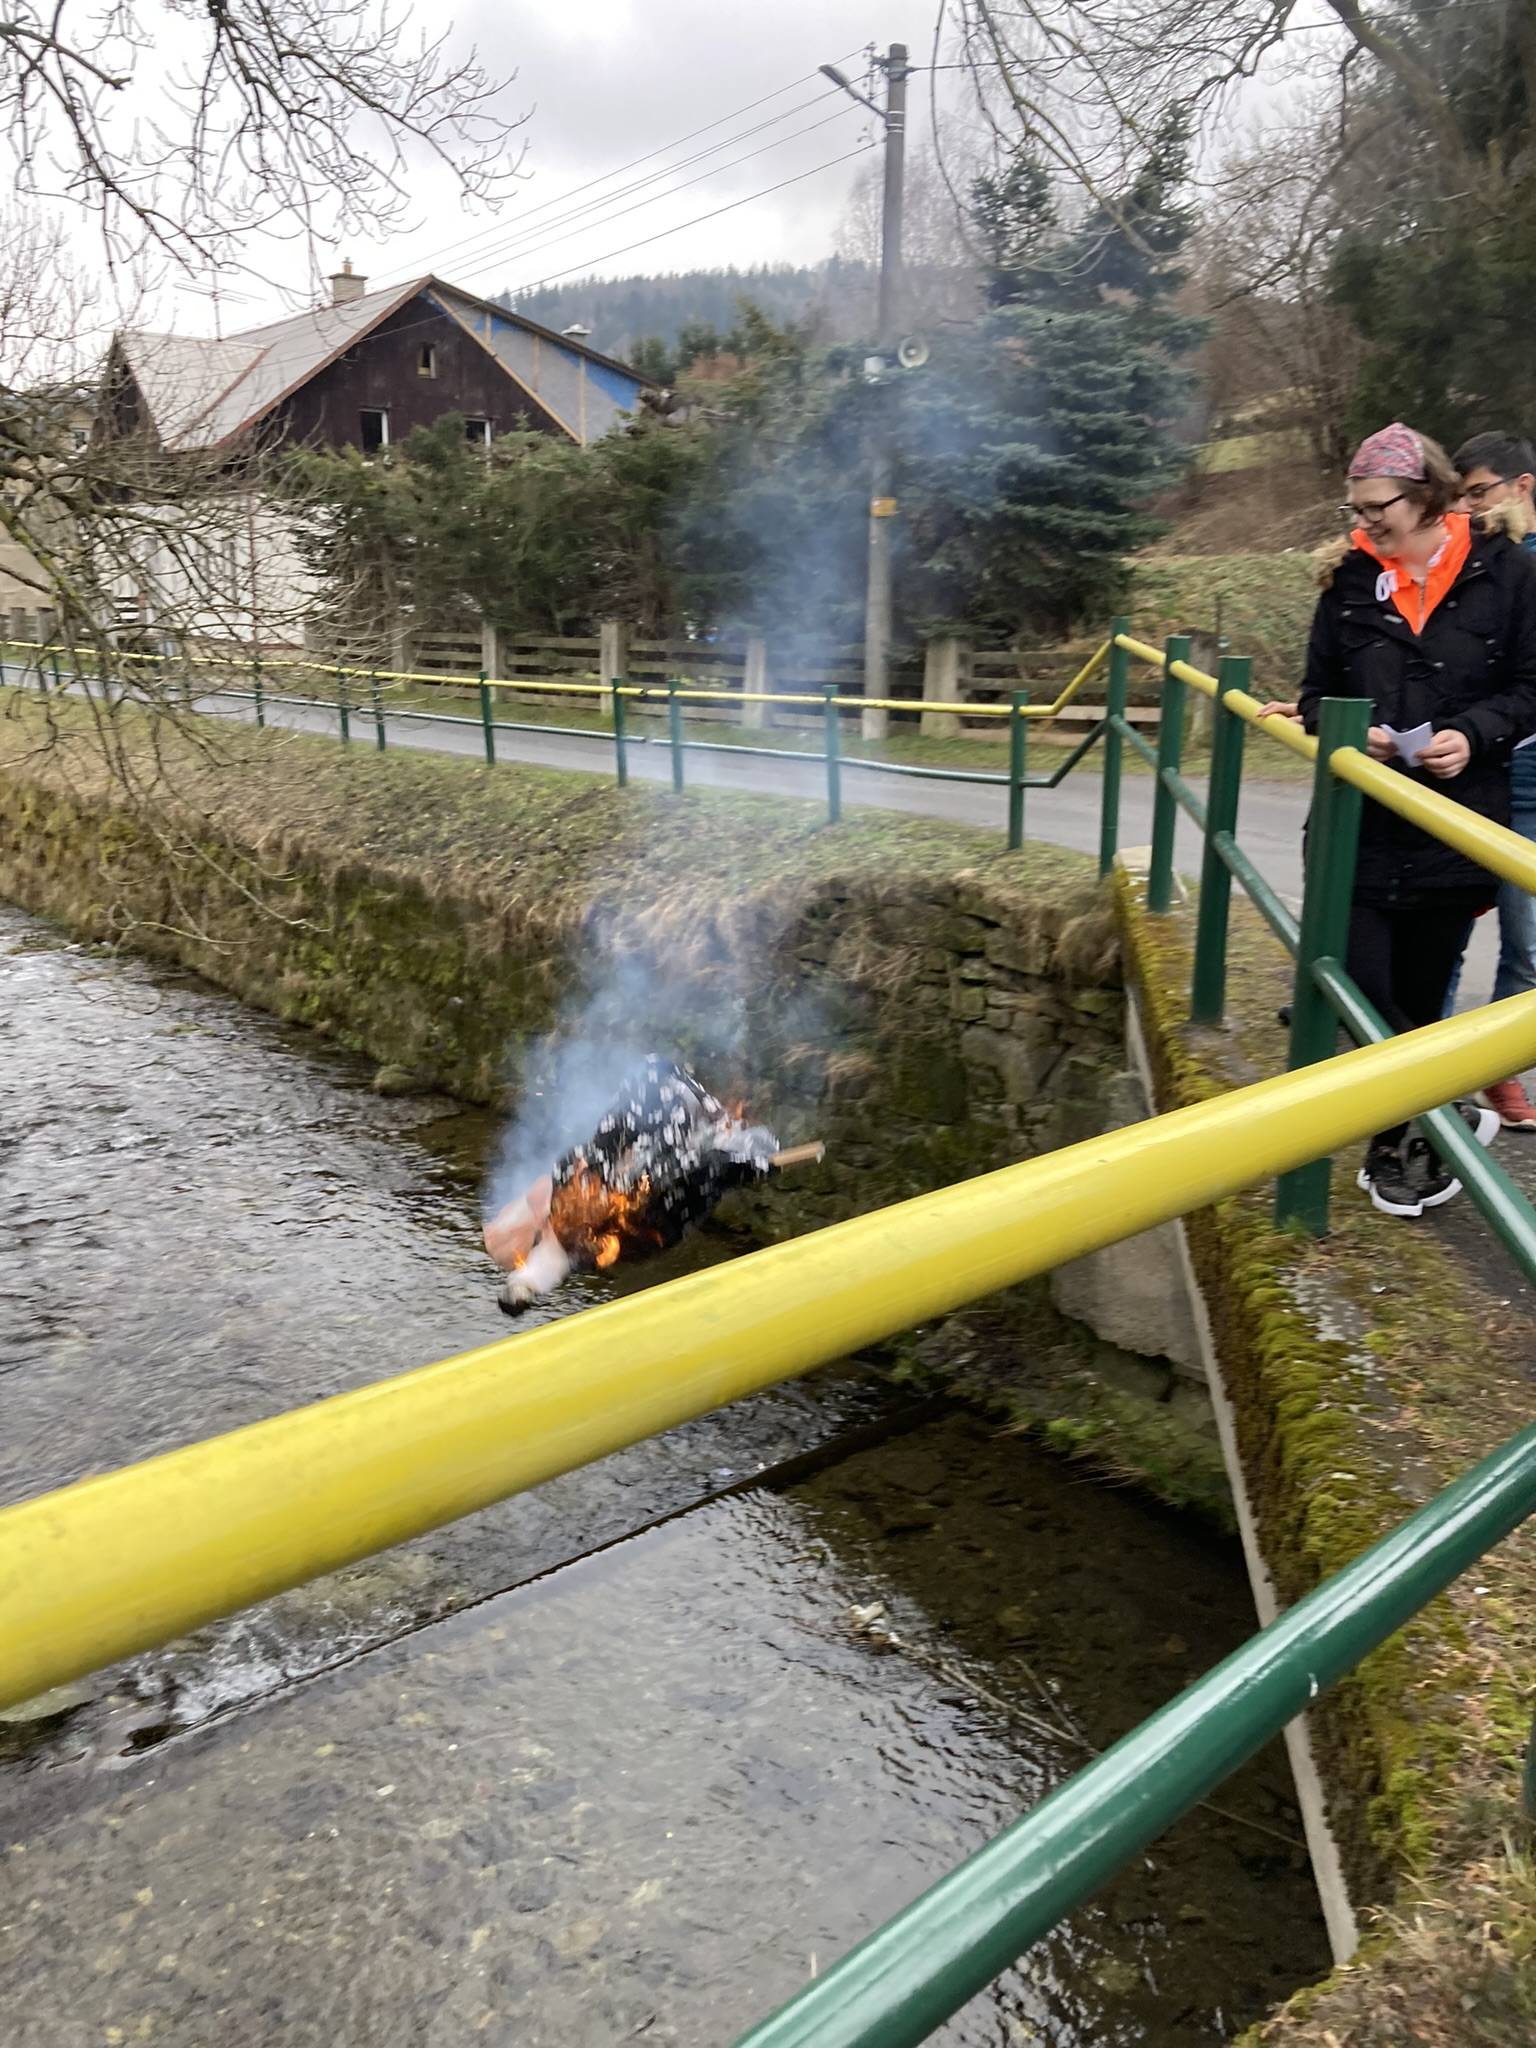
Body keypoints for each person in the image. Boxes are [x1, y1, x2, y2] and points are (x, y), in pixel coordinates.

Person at [1269, 421, 1536, 1217]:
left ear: (1425, 497)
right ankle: (1442, 1109)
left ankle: (1394, 1156)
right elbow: (1316, 693)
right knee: (1355, 984)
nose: (1363, 521)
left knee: (1419, 1003)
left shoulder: (1508, 574)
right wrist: (1355, 732)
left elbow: (1530, 688)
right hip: (1357, 826)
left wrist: (1474, 734)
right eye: (1354, 508)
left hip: (1455, 826)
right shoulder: (1347, 580)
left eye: (1376, 506)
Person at [1436, 432, 1536, 1127]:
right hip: (1477, 769)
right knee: (1446, 926)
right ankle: (1430, 1077)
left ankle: (1497, 1069)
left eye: (1479, 492)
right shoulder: (1475, 562)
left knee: (1527, 943)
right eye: (1461, 496)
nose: (1469, 508)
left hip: (1533, 786)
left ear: (1521, 486)